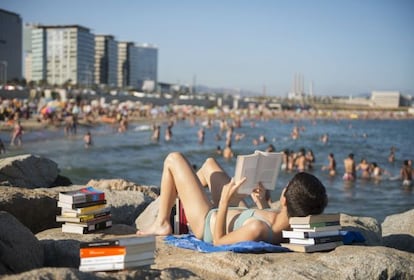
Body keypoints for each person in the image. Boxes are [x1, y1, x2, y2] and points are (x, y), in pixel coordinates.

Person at [137, 152, 328, 245]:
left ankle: (162, 222)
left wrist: (224, 202)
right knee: (210, 165)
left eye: (286, 187)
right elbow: (269, 218)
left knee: (173, 159)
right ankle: (180, 201)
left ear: (284, 200)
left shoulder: (257, 228)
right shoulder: (287, 222)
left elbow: (219, 242)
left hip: (207, 222)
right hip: (236, 213)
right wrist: (260, 201)